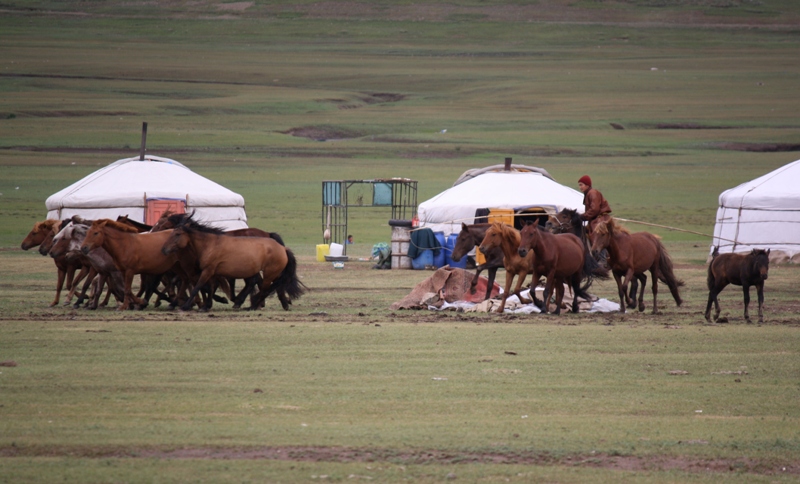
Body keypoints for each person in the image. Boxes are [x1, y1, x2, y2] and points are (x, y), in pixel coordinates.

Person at [578, 175, 612, 240]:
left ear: (587, 185)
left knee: (596, 238)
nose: (580, 187)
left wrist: (584, 216)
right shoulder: (588, 193)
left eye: (581, 185)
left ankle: (602, 250)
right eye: (579, 185)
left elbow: (594, 209)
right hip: (595, 220)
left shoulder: (592, 193)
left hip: (600, 220)